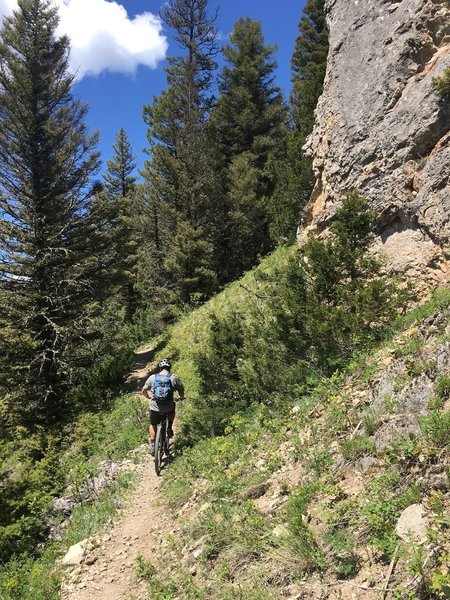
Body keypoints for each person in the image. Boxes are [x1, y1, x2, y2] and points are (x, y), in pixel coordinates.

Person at [141, 359, 185, 456]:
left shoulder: (153, 377)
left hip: (155, 407)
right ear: (170, 368)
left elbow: (143, 390)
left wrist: (148, 397)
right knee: (172, 409)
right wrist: (181, 398)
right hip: (168, 407)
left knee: (153, 424)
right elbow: (181, 390)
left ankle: (153, 444)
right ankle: (169, 428)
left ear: (160, 368)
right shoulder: (174, 378)